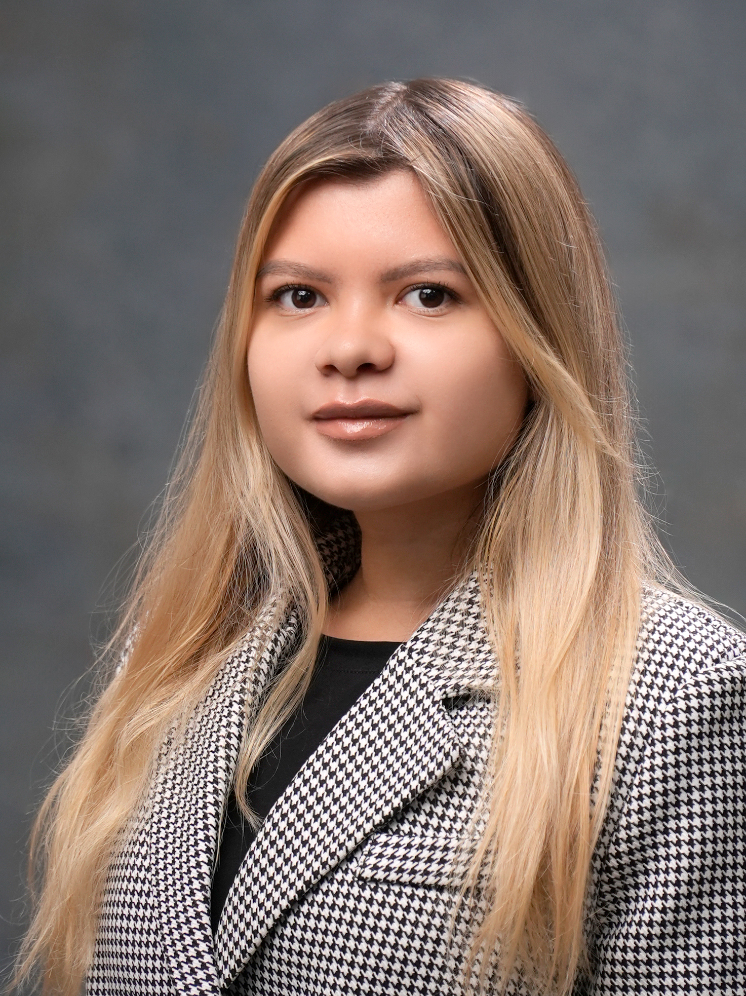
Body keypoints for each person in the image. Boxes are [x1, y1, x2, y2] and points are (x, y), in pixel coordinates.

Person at [15, 78, 745, 996]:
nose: (350, 347)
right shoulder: (175, 654)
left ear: (540, 336)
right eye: (298, 296)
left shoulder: (673, 699)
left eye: (429, 295)